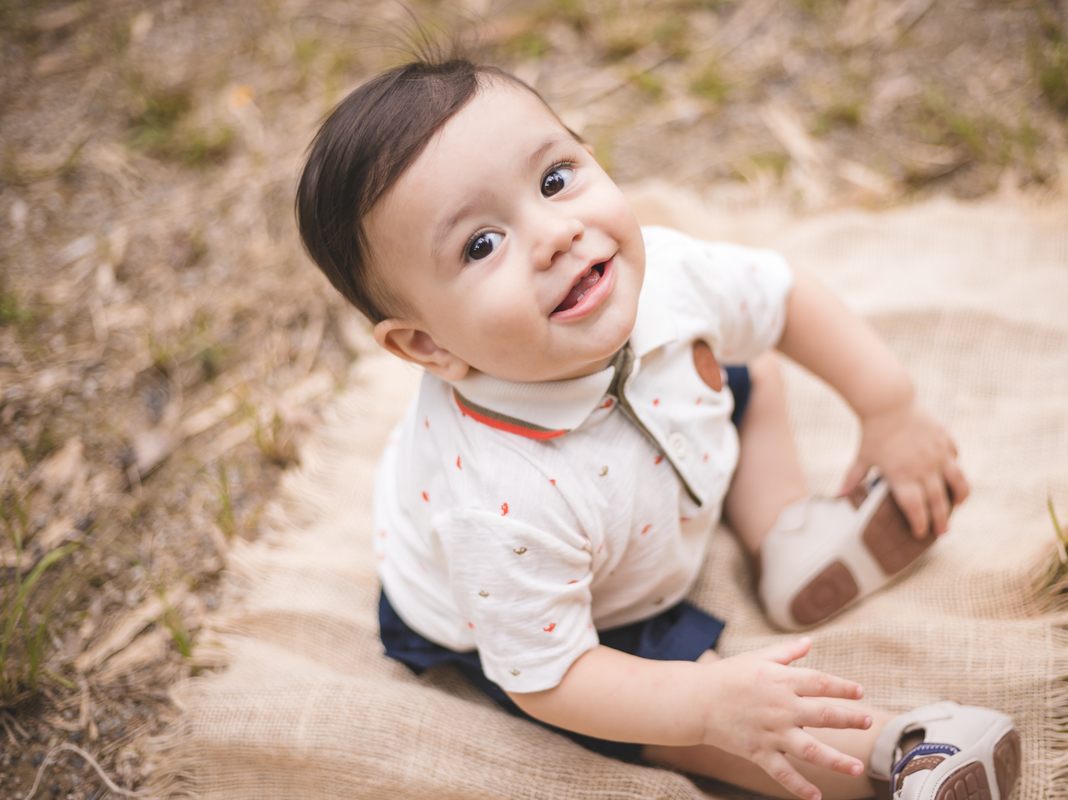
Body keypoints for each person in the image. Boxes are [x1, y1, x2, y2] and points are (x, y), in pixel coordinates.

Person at [295, 57, 1021, 800]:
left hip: (656, 440)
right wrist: (702, 705)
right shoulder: (499, 504)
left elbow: (783, 299)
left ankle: (783, 534)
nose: (555, 234)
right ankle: (900, 758)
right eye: (482, 244)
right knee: (697, 713)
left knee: (750, 375)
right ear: (427, 344)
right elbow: (551, 679)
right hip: (575, 613)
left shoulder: (668, 273)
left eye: (554, 179)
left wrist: (889, 409)